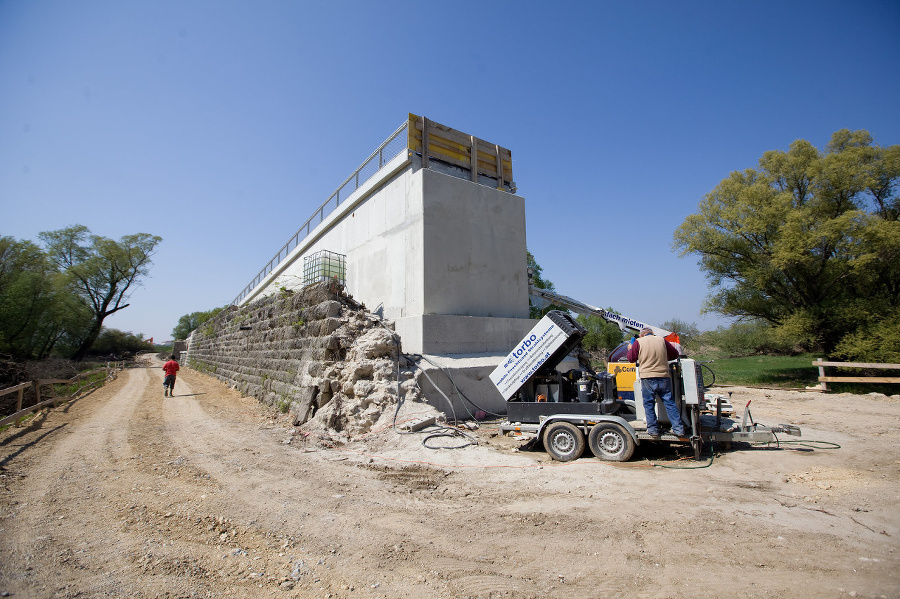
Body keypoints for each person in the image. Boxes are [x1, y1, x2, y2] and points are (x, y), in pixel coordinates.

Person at [626, 327, 684, 436]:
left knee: (649, 403)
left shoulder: (639, 342)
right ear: (652, 333)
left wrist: (630, 348)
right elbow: (675, 354)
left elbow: (631, 359)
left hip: (647, 377)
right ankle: (678, 429)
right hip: (663, 376)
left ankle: (653, 429)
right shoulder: (661, 340)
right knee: (669, 402)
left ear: (641, 335)